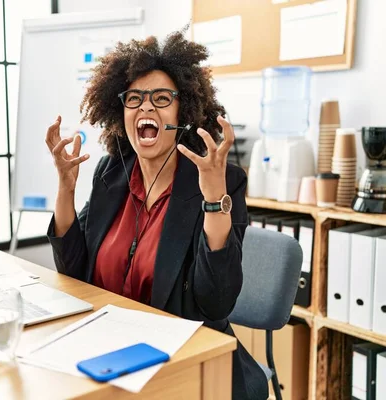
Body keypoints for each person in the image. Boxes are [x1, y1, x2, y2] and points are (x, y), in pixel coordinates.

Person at [45, 30, 268, 399]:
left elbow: (215, 304)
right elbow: (73, 273)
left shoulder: (220, 180)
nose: (146, 107)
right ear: (122, 111)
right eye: (134, 98)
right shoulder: (110, 172)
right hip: (113, 353)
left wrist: (214, 198)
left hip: (189, 364)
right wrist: (65, 188)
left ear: (184, 113)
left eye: (162, 99)